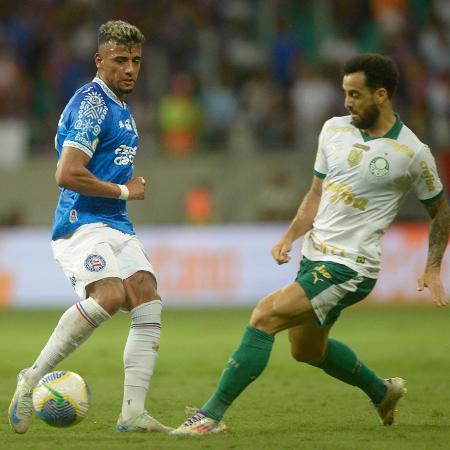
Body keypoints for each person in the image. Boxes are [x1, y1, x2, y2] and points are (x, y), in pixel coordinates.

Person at [170, 53, 450, 435]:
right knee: (306, 350)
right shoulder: (334, 130)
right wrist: (290, 235)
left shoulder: (412, 153)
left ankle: (209, 416)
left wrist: (433, 265)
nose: (346, 102)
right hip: (314, 257)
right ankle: (381, 391)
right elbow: (317, 192)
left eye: (355, 94)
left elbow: (441, 212)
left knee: (264, 316)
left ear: (381, 95)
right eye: (344, 93)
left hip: (351, 268)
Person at [8, 20, 172, 434]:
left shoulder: (121, 107)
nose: (130, 69)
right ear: (99, 61)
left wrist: (120, 200)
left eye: (135, 61)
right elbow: (66, 173)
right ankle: (30, 379)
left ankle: (133, 414)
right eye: (120, 60)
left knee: (147, 297)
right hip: (81, 223)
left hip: (115, 224)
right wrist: (124, 191)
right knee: (111, 294)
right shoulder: (92, 104)